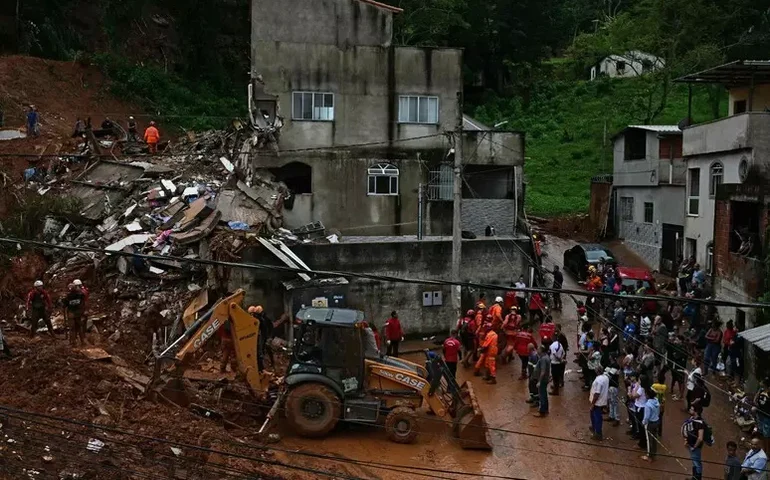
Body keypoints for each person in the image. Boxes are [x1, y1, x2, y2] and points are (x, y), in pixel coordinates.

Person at [682, 404, 706, 480]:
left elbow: (700, 438)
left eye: (692, 409)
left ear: (696, 412)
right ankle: (694, 477)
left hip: (695, 446)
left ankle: (697, 478)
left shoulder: (700, 423)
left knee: (697, 463)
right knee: (694, 462)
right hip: (691, 444)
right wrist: (687, 440)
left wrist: (694, 447)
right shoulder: (692, 418)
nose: (690, 410)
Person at [64, 280, 88, 346]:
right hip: (78, 313)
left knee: (73, 328)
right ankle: (81, 341)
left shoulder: (68, 296)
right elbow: (83, 303)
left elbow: (64, 304)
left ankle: (74, 342)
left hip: (72, 313)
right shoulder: (80, 295)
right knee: (79, 327)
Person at [641, 386, 661, 461]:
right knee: (655, 438)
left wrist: (643, 422)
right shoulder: (656, 401)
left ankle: (649, 455)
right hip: (656, 421)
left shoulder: (648, 405)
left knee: (649, 439)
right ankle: (654, 452)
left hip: (650, 423)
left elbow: (646, 417)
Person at [589, 365, 609, 441]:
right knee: (594, 415)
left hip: (597, 402)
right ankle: (594, 427)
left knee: (597, 417)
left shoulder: (598, 381)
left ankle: (598, 433)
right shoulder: (606, 378)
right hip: (602, 400)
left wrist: (592, 404)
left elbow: (597, 394)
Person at [533, 344, 551, 417]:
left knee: (542, 396)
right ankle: (545, 409)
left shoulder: (543, 359)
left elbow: (543, 371)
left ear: (541, 350)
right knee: (544, 394)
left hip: (543, 380)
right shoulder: (546, 356)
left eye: (538, 349)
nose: (537, 350)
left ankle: (542, 411)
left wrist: (539, 381)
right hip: (545, 379)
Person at [549, 331, 566, 395]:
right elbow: (563, 353)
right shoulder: (560, 344)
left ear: (553, 337)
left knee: (555, 377)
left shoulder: (552, 345)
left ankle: (555, 391)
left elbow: (554, 353)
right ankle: (556, 387)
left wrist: (559, 359)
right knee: (557, 376)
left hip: (554, 363)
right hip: (559, 364)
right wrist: (562, 359)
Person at [651, 370, 667, 435]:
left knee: (654, 417)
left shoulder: (654, 385)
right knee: (660, 418)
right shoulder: (664, 386)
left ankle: (654, 430)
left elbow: (651, 389)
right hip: (662, 404)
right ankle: (660, 432)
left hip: (655, 404)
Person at [606, 355, 621, 426]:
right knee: (610, 401)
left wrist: (605, 373)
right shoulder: (610, 364)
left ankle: (617, 418)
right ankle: (611, 416)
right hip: (609, 385)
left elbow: (610, 374)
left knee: (614, 402)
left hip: (614, 386)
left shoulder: (616, 365)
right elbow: (605, 372)